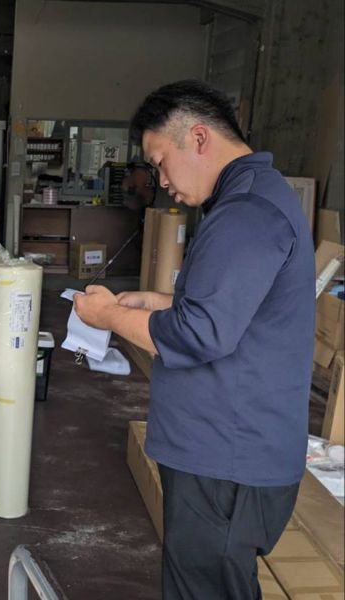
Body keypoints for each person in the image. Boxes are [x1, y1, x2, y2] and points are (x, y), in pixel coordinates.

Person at [74, 80, 315, 599]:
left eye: (161, 161)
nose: (161, 181)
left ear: (199, 138)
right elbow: (237, 311)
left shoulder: (248, 213)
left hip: (228, 459)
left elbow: (199, 333)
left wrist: (109, 316)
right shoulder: (249, 200)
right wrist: (159, 302)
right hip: (223, 452)